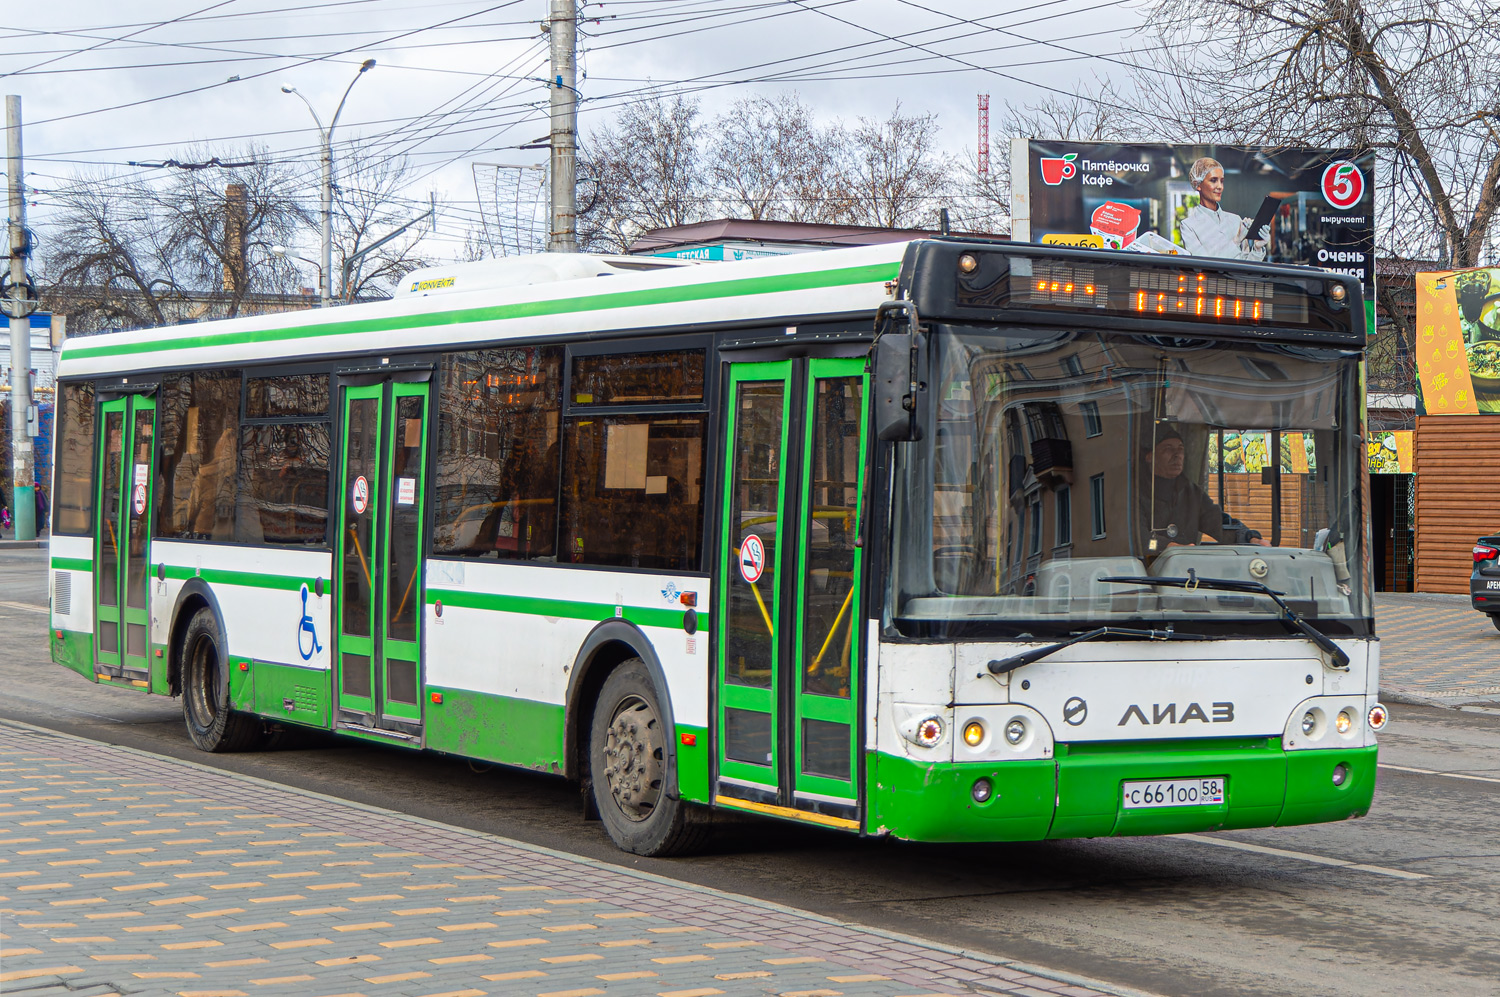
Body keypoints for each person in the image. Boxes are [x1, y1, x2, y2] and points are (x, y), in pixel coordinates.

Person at [1139, 424, 1266, 554]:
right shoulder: (1134, 492)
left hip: (1186, 569)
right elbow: (1135, 537)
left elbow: (1217, 521)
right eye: (1168, 449)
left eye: (1180, 449)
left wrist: (1249, 538)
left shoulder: (1190, 492)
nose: (1177, 455)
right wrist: (1168, 546)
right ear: (1150, 457)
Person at [1179, 157, 1269, 260]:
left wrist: (1257, 248)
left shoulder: (1236, 220)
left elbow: (1246, 265)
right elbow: (1204, 265)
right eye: (1213, 180)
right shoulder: (1188, 226)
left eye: (1222, 181)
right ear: (1197, 184)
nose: (1220, 186)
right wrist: (1236, 241)